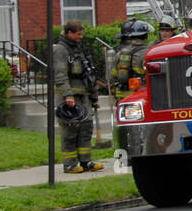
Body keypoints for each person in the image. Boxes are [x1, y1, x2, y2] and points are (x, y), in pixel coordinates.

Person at [53, 20, 103, 173]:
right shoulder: (60, 50)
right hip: (69, 98)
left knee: (86, 128)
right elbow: (60, 75)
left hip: (84, 96)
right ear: (69, 33)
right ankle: (70, 164)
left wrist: (93, 94)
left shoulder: (78, 48)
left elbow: (87, 72)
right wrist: (68, 95)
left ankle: (85, 161)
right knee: (70, 131)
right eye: (78, 34)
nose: (81, 37)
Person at [111, 19, 151, 95]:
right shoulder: (148, 53)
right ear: (146, 36)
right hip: (138, 94)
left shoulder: (120, 53)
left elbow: (113, 75)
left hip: (121, 94)